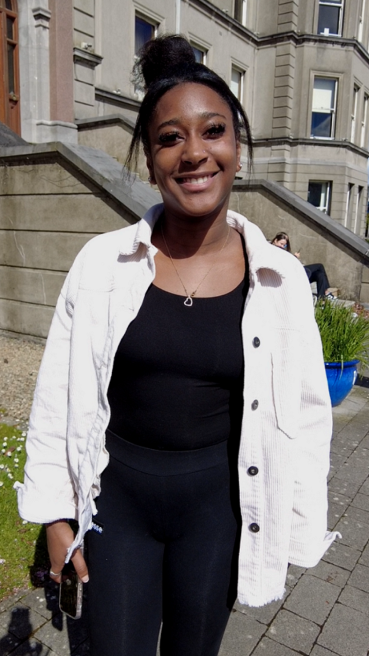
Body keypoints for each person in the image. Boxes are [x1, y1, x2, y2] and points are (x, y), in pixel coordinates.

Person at [16, 36, 340, 656]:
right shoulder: (101, 264)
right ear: (149, 161)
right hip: (120, 504)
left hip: (216, 511)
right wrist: (57, 518)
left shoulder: (279, 279)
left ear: (238, 150)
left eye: (212, 131)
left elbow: (305, 410)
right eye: (170, 138)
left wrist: (297, 523)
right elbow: (57, 393)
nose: (194, 153)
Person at [271, 231, 334, 299]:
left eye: (284, 245)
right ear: (275, 240)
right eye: (281, 244)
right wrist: (294, 258)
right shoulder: (273, 250)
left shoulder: (282, 251)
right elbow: (285, 264)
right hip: (292, 275)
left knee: (320, 275)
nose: (282, 246)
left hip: (295, 271)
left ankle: (322, 299)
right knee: (319, 266)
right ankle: (327, 291)